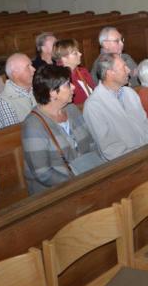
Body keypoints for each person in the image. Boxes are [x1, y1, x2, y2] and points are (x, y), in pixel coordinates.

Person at [21, 65, 100, 195]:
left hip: (85, 179)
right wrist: (77, 181)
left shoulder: (72, 110)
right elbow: (43, 173)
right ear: (53, 93)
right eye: (68, 84)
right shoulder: (33, 126)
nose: (73, 87)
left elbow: (91, 143)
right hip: (54, 193)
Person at [83, 53, 148, 161]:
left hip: (147, 154)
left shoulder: (130, 93)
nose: (128, 70)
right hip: (125, 163)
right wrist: (141, 157)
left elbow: (146, 128)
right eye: (124, 67)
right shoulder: (94, 105)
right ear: (110, 73)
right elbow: (110, 148)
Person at [0, 53, 37, 128]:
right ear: (15, 74)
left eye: (31, 65)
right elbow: (14, 133)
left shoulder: (37, 89)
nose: (34, 69)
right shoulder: (4, 102)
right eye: (28, 67)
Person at [53, 38, 96, 106]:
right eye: (75, 53)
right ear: (64, 58)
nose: (80, 54)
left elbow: (94, 91)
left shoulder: (82, 71)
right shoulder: (58, 78)